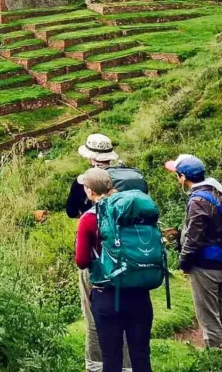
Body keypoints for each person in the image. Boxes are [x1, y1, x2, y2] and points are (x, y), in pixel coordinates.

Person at [70, 134, 145, 372]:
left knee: (95, 316)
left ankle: (96, 363)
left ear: (90, 157)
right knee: (128, 316)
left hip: (97, 264)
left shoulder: (84, 182)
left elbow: (71, 211)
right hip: (130, 259)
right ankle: (128, 365)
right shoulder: (129, 180)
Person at [167, 154, 222, 349]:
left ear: (183, 177)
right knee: (221, 311)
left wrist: (184, 263)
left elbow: (194, 238)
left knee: (208, 316)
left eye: (177, 175)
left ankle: (216, 358)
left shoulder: (198, 201)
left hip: (205, 265)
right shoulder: (216, 192)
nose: (177, 179)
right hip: (221, 260)